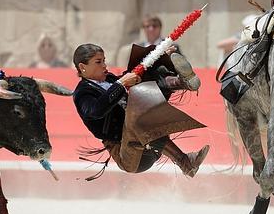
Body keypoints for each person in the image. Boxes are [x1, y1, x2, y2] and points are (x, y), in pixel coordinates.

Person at [72, 43, 207, 177]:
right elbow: (96, 111)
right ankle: (185, 162)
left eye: (104, 61)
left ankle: (182, 82)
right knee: (137, 114)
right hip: (128, 154)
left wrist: (158, 56)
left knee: (146, 79)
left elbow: (133, 75)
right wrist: (121, 83)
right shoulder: (82, 93)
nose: (104, 65)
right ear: (83, 67)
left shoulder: (110, 79)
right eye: (98, 62)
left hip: (149, 143)